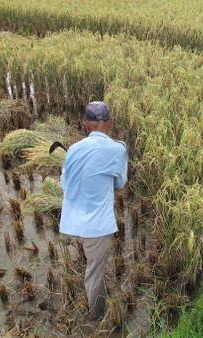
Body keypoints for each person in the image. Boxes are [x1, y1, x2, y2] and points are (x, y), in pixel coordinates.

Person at [59, 101, 128, 319]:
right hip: (96, 226)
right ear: (110, 123)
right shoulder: (118, 149)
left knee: (89, 259)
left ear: (86, 125)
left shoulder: (73, 149)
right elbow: (120, 183)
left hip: (72, 221)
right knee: (95, 274)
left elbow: (64, 182)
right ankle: (97, 317)